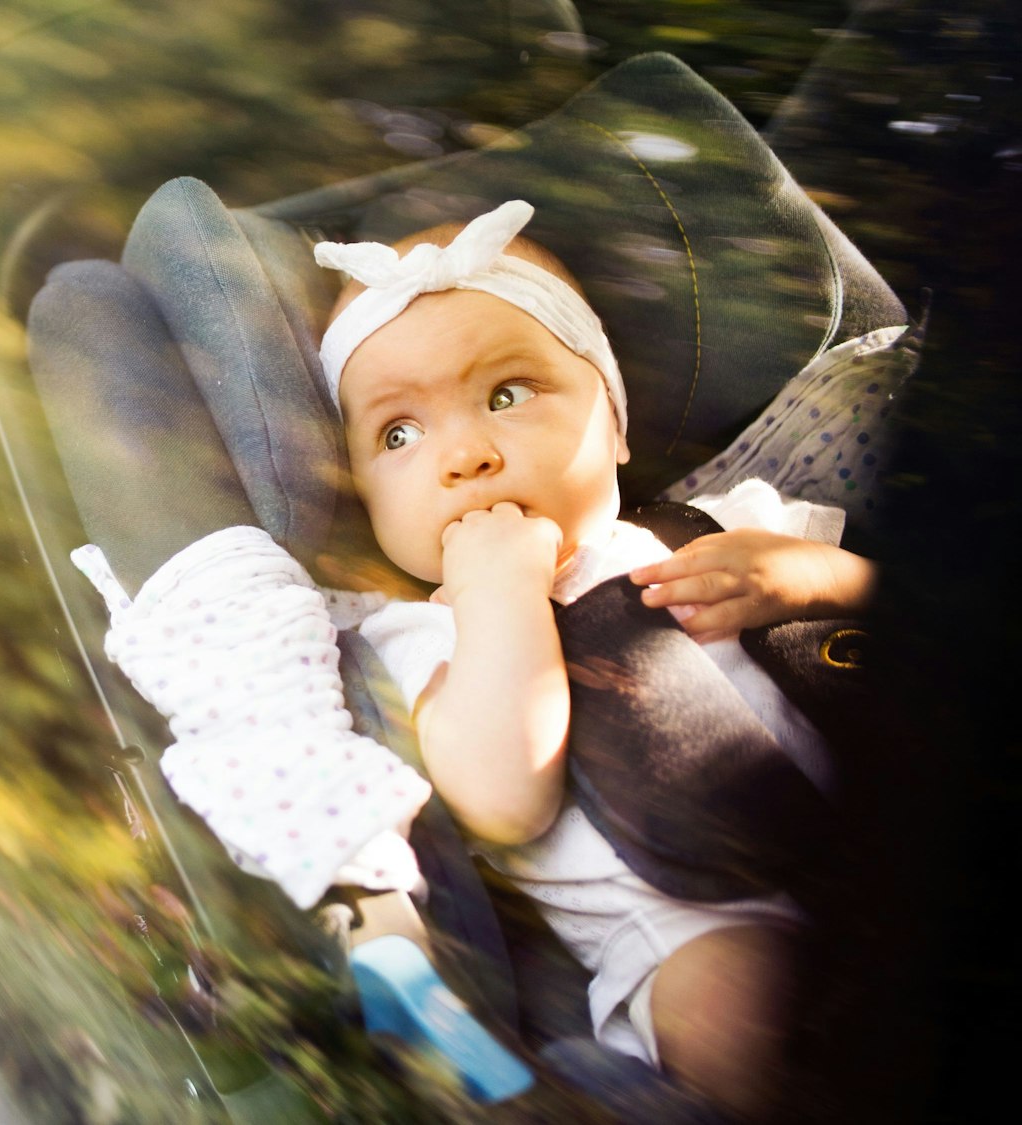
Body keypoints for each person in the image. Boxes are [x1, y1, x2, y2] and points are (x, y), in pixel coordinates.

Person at [316, 200, 875, 1118]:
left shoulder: (726, 520)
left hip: (881, 837)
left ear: (612, 422)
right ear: (368, 502)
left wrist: (816, 575)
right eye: (399, 434)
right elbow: (505, 797)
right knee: (737, 1006)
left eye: (507, 395)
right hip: (691, 928)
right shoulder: (419, 635)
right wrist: (500, 590)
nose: (465, 455)